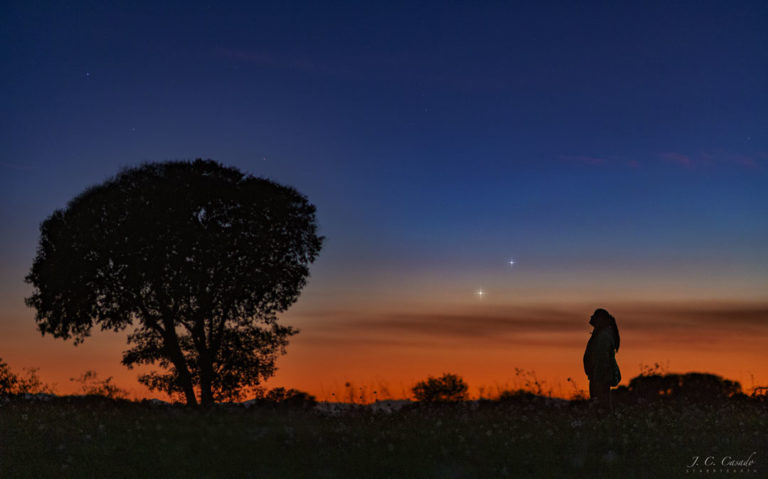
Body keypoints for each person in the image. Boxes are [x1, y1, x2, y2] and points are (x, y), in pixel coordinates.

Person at [583, 308, 620, 409]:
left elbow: (602, 359)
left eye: (594, 316)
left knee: (601, 408)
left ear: (600, 319)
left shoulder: (603, 336)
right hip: (598, 377)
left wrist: (598, 379)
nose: (591, 318)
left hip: (600, 378)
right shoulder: (601, 334)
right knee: (600, 408)